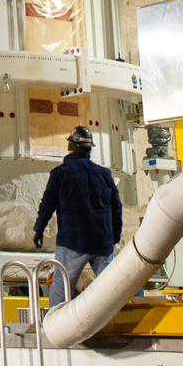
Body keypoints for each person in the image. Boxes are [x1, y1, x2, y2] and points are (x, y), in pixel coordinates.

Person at [33, 124, 123, 307]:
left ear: (70, 147)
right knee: (114, 287)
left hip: (73, 242)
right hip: (102, 242)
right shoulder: (105, 174)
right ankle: (119, 319)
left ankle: (55, 326)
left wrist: (39, 229)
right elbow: (116, 207)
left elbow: (47, 204)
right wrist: (115, 235)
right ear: (90, 150)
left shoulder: (60, 174)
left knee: (62, 286)